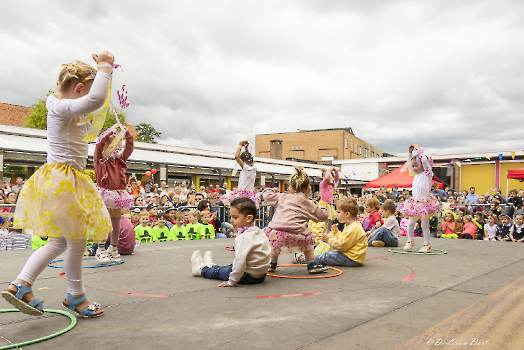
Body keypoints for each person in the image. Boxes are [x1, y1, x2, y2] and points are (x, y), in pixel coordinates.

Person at [1, 52, 115, 318]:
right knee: (74, 243)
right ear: (78, 89)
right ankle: (75, 297)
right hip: (63, 183)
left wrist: (104, 75)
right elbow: (96, 99)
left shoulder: (63, 109)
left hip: (60, 182)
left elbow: (96, 104)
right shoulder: (61, 107)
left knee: (60, 242)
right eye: (85, 91)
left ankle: (22, 284)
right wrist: (106, 67)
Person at [262, 167, 329, 274]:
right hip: (298, 235)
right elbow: (323, 216)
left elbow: (266, 196)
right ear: (308, 190)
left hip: (276, 233)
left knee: (275, 240)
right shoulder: (307, 202)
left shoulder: (282, 197)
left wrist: (271, 190)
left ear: (291, 189)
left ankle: (272, 263)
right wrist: (322, 207)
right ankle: (311, 264)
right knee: (309, 240)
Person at [191, 198, 270, 287]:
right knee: (229, 267)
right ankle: (212, 266)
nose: (231, 220)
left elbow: (239, 261)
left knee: (220, 273)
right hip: (261, 275)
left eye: (235, 217)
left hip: (247, 276)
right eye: (231, 216)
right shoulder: (259, 232)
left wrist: (231, 281)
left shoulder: (244, 237)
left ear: (248, 218)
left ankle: (201, 269)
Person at [94, 123, 134, 263]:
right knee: (103, 221)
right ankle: (100, 249)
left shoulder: (120, 160)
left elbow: (130, 147)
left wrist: (127, 133)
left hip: (117, 193)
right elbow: (99, 145)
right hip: (104, 193)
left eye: (117, 145)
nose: (115, 148)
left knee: (116, 223)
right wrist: (110, 131)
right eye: (112, 145)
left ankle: (113, 248)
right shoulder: (100, 160)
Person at [296, 199, 367, 266]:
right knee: (329, 255)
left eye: (339, 212)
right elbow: (345, 240)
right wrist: (336, 232)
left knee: (325, 256)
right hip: (352, 256)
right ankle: (307, 258)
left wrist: (329, 240)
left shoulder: (353, 228)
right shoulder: (353, 225)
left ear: (347, 214)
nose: (337, 214)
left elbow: (342, 245)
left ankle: (303, 259)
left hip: (351, 258)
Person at [398, 144, 441, 253]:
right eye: (413, 166)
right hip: (415, 202)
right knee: (411, 223)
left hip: (424, 202)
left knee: (424, 225)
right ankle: (410, 240)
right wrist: (409, 153)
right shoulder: (415, 175)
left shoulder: (427, 174)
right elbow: (409, 163)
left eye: (417, 165)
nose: (414, 167)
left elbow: (425, 162)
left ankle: (427, 245)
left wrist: (419, 150)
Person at [220, 140, 259, 205]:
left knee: (222, 203)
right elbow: (247, 157)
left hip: (243, 194)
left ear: (243, 161)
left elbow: (237, 157)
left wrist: (240, 145)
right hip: (249, 193)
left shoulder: (246, 168)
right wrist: (246, 148)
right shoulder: (253, 168)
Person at [319, 167, 339, 233]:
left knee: (331, 220)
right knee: (325, 219)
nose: (330, 178)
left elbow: (336, 180)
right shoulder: (323, 184)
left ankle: (328, 232)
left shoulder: (330, 185)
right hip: (324, 203)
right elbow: (326, 178)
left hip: (330, 204)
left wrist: (336, 172)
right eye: (329, 177)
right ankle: (322, 232)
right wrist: (329, 170)